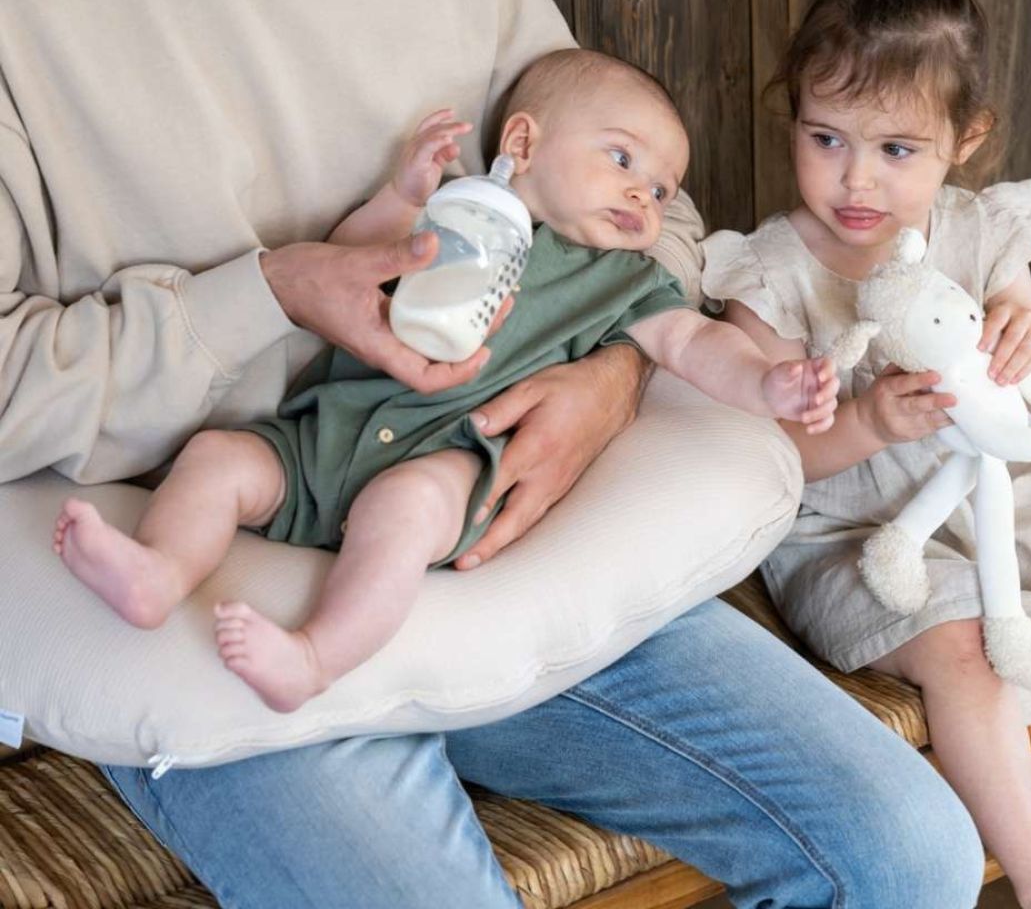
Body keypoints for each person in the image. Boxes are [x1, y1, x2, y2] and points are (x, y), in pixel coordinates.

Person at [0, 0, 984, 902]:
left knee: (907, 852)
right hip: (215, 594)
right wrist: (272, 290)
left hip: (483, 528)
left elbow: (651, 221)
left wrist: (607, 382)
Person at [54, 49, 839, 713]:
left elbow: (696, 342)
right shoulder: (458, 211)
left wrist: (770, 385)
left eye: (663, 189)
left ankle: (314, 659)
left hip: (452, 461)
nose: (645, 194)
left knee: (405, 509)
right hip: (322, 435)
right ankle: (159, 572)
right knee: (218, 459)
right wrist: (401, 198)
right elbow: (352, 261)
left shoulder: (622, 284)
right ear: (524, 143)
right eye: (623, 159)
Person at [702, 0, 1031, 909]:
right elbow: (775, 463)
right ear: (791, 119)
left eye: (896, 150)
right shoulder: (770, 272)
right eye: (825, 140)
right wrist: (868, 424)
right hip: (855, 529)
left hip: (997, 486)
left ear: (963, 142)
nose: (855, 180)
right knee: (958, 640)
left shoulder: (975, 231)